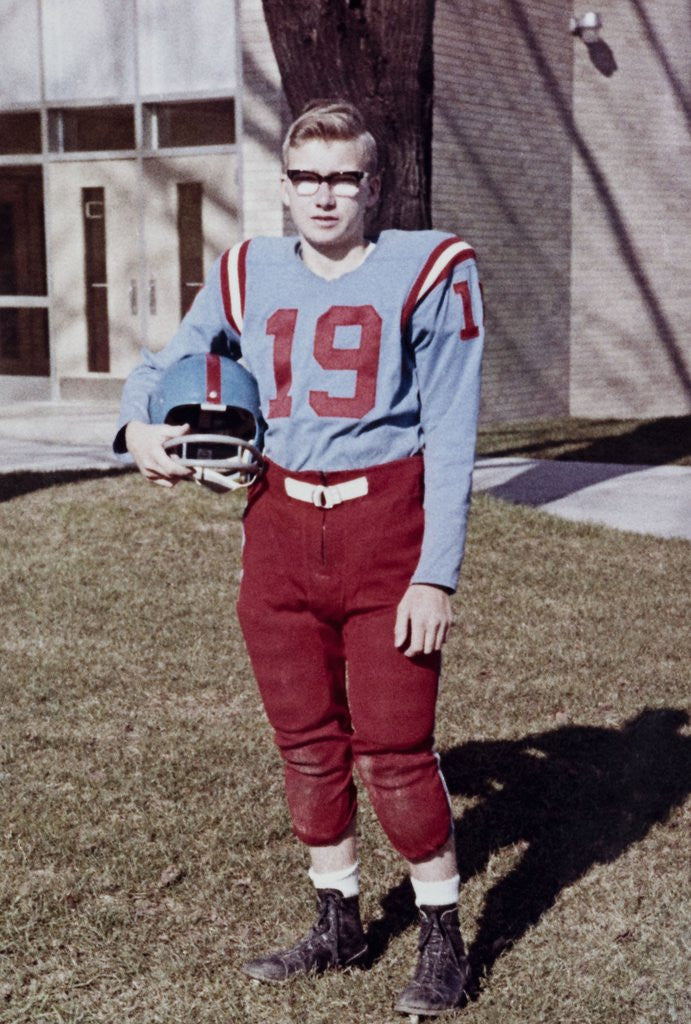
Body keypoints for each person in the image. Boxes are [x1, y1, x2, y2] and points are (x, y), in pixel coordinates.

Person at [114, 99, 484, 1018]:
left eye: (343, 178)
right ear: (283, 187)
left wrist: (435, 571)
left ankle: (443, 938)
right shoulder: (249, 268)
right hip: (278, 527)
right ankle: (339, 921)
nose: (324, 196)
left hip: (385, 525)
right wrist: (136, 424)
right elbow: (169, 360)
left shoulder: (426, 268)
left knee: (394, 748)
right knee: (308, 744)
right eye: (307, 179)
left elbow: (450, 428)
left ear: (372, 184)